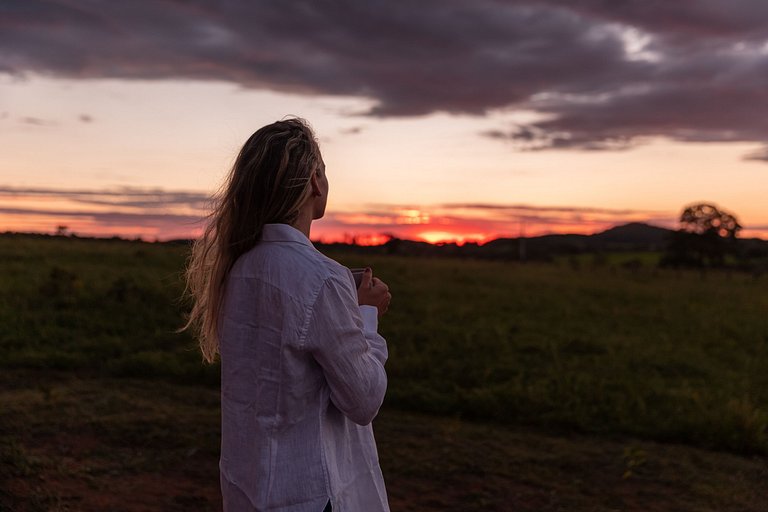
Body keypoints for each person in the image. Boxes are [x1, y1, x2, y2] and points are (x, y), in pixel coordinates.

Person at [183, 118, 392, 512]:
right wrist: (366, 313)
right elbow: (364, 400)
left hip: (249, 487)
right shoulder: (321, 279)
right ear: (315, 181)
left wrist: (344, 301)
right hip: (309, 495)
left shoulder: (237, 268)